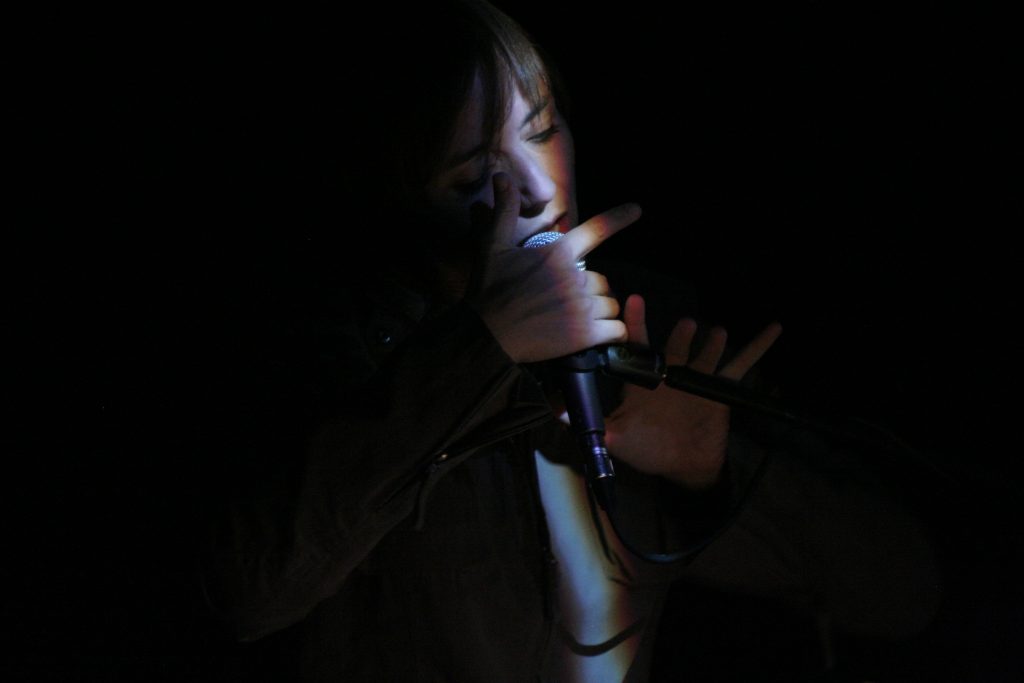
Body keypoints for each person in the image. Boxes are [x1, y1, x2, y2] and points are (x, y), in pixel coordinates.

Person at [191, 2, 942, 680]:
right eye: (474, 174)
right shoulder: (346, 354)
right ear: (401, 197)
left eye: (543, 131)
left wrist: (710, 472)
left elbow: (902, 590)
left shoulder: (645, 324)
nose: (541, 190)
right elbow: (244, 591)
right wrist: (485, 347)